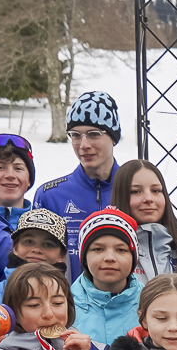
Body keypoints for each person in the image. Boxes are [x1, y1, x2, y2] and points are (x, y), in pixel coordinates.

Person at [36, 91, 121, 271]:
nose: (84, 145)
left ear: (113, 138)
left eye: (93, 134)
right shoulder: (50, 196)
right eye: (75, 135)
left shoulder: (137, 191)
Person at [70, 208, 144, 346]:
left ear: (134, 258)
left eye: (121, 250)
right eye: (98, 249)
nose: (110, 258)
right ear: (84, 257)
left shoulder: (152, 303)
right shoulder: (64, 305)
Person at [111, 158, 177, 279]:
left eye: (156, 190)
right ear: (120, 196)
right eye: (136, 191)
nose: (148, 198)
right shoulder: (108, 255)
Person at [0, 133, 34, 284]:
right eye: (0, 167)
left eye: (18, 168)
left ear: (29, 180)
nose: (10, 175)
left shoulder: (41, 227)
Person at [0, 208, 68, 304]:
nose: (37, 250)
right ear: (15, 247)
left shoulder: (74, 301)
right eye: (29, 241)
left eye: (48, 244)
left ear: (62, 255)